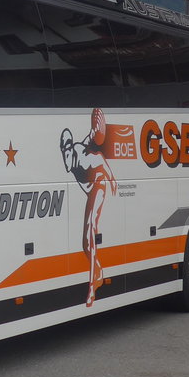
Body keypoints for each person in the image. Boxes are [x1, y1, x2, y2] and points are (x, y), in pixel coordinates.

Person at [61, 108, 118, 307]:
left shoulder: (80, 154)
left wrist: (111, 179)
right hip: (91, 188)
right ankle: (99, 272)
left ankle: (93, 285)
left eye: (67, 147)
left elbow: (99, 160)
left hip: (99, 184)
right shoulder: (72, 155)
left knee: (89, 234)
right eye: (63, 149)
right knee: (84, 244)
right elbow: (88, 141)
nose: (66, 153)